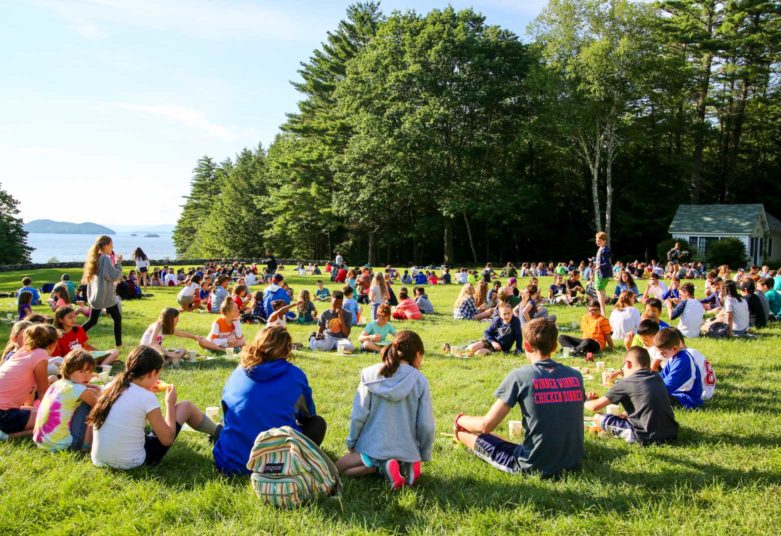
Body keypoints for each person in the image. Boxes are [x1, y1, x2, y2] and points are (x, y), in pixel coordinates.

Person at [453, 319, 584, 477]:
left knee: (464, 432)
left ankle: (458, 432)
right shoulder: (575, 375)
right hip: (572, 462)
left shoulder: (520, 376)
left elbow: (486, 425)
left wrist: (459, 420)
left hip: (531, 464)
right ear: (555, 346)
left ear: (527, 346)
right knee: (499, 440)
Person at [214, 326, 326, 475]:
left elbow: (226, 412)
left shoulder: (238, 372)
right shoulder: (295, 376)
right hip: (278, 464)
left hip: (229, 461)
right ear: (287, 349)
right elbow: (309, 414)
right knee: (317, 423)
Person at [90, 345, 221, 469]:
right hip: (132, 462)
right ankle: (220, 433)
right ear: (152, 373)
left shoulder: (110, 387)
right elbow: (167, 439)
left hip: (99, 460)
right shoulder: (146, 397)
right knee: (185, 406)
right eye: (159, 374)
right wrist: (169, 403)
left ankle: (218, 432)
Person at [336, 330, 434, 489]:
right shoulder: (420, 381)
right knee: (345, 470)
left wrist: (352, 442)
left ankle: (382, 466)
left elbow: (359, 414)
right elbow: (425, 425)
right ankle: (404, 465)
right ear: (417, 354)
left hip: (372, 446)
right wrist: (423, 453)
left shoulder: (370, 374)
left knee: (338, 469)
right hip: (407, 449)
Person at [585, 347, 678, 445]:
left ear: (628, 363)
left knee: (598, 417)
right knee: (623, 415)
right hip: (671, 433)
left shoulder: (625, 383)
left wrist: (584, 400)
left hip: (646, 437)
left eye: (622, 366)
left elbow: (594, 407)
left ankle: (630, 435)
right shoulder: (656, 377)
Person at [33, 349, 100, 452]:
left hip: (41, 441)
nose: (87, 376)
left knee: (86, 396)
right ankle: (86, 445)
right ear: (69, 369)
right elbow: (100, 406)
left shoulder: (58, 384)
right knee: (91, 405)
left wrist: (89, 387)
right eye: (81, 371)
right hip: (64, 445)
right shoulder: (78, 389)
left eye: (89, 372)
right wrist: (99, 391)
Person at [0, 324, 57, 437]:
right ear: (53, 345)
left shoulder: (23, 351)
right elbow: (43, 392)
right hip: (3, 414)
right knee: (53, 420)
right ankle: (7, 436)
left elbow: (29, 388)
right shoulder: (41, 354)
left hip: (5, 410)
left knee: (35, 411)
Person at [81, 236, 123, 347]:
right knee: (117, 318)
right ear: (105, 246)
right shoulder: (104, 258)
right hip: (105, 297)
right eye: (111, 244)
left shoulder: (95, 257)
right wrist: (118, 263)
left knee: (93, 321)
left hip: (97, 297)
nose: (112, 247)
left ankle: (75, 335)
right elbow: (114, 276)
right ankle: (119, 344)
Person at [52, 306, 120, 367]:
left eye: (74, 316)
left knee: (115, 351)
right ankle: (96, 364)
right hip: (72, 361)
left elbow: (86, 345)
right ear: (60, 320)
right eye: (70, 317)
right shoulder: (57, 336)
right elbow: (58, 358)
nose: (73, 319)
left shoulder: (78, 329)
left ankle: (101, 366)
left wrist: (102, 353)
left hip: (87, 356)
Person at [654, 328, 703, 409]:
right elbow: (661, 378)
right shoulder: (674, 357)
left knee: (653, 398)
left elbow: (667, 386)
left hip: (688, 400)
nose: (661, 355)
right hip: (677, 395)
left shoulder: (682, 361)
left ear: (675, 348)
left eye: (663, 353)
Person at [140, 308, 207, 364]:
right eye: (177, 317)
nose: (178, 320)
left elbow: (181, 333)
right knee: (166, 357)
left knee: (183, 351)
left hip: (156, 352)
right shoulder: (157, 326)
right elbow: (152, 342)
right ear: (170, 318)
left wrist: (195, 337)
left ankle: (169, 360)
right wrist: (168, 353)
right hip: (146, 353)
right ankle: (167, 361)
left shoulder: (167, 327)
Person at [594, 232, 614, 316]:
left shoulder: (604, 250)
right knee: (601, 292)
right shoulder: (602, 249)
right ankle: (602, 310)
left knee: (599, 292)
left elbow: (607, 263)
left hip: (601, 274)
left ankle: (602, 311)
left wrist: (599, 266)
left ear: (604, 241)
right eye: (597, 240)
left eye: (600, 240)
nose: (598, 242)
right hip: (600, 273)